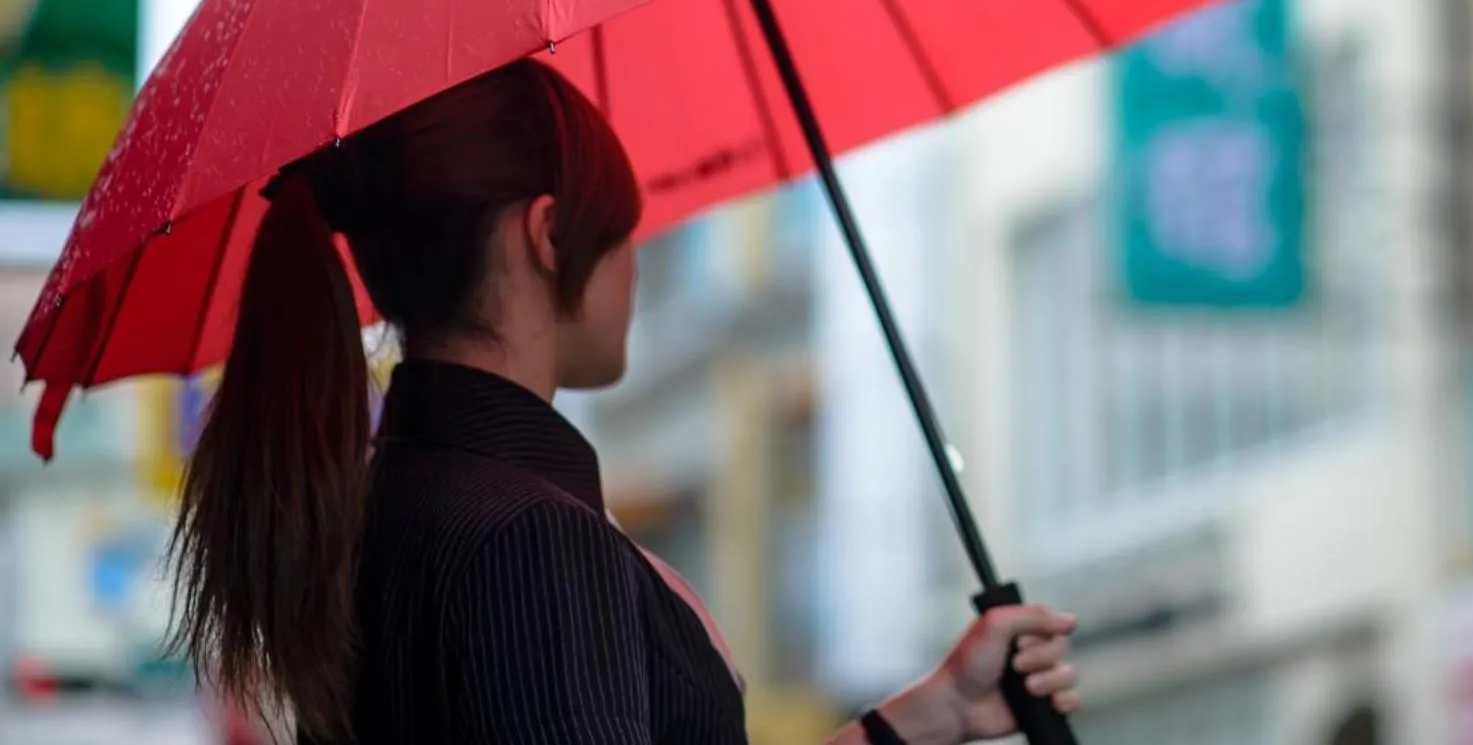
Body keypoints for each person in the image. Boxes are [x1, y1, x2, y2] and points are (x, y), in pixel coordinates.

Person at [169, 59, 1080, 745]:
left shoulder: (397, 503)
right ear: (550, 233)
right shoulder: (532, 540)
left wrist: (922, 715)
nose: (638, 264)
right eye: (625, 231)